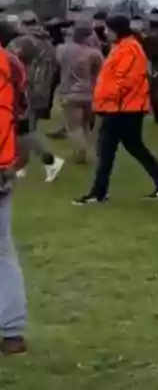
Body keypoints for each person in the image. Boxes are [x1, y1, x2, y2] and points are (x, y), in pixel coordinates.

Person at [73, 15, 158, 205]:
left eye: (108, 29)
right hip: (123, 107)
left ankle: (98, 193)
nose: (105, 32)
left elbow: (125, 81)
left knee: (106, 149)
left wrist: (106, 98)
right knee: (133, 146)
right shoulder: (123, 47)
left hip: (122, 108)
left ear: (117, 30)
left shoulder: (129, 49)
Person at [7, 13, 64, 183]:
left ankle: (51, 160)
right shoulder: (47, 41)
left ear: (23, 24)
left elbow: (7, 59)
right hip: (42, 90)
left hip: (25, 90)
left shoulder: (24, 41)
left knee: (24, 131)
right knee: (23, 130)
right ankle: (20, 166)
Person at [0, 22, 27, 356]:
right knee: (3, 251)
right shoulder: (14, 66)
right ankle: (12, 331)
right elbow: (25, 115)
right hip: (4, 164)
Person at [55, 25, 104, 164]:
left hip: (70, 92)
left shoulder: (62, 49)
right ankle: (83, 150)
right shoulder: (94, 53)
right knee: (86, 124)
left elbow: (58, 62)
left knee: (74, 126)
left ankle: (81, 151)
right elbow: (102, 70)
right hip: (91, 93)